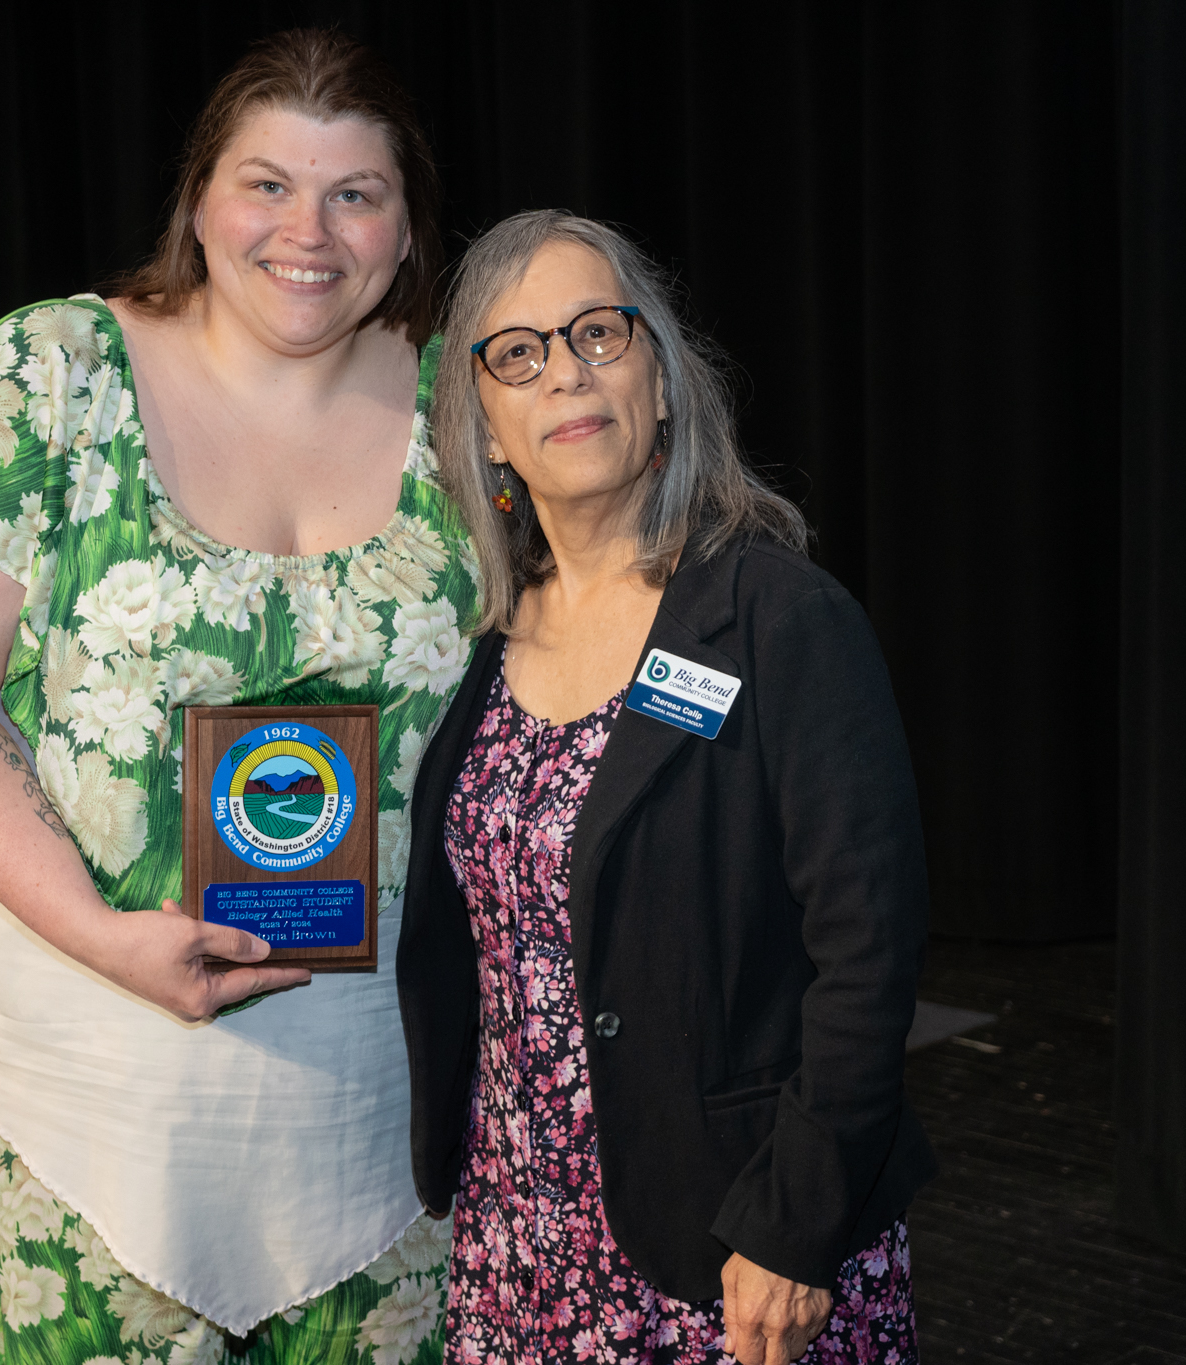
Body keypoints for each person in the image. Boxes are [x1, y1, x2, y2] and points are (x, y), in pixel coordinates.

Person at [0, 31, 477, 1364]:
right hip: (111, 1072)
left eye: (355, 193)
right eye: (266, 184)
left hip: (390, 1091)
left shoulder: (469, 406)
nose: (306, 231)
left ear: (409, 225)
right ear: (199, 201)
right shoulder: (50, 376)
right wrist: (99, 932)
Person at [396, 211, 936, 1365]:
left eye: (598, 332)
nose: (567, 373)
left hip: (734, 1244)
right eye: (519, 353)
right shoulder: (485, 650)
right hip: (519, 1238)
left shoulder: (780, 623)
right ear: (485, 430)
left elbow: (868, 953)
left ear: (661, 381)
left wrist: (794, 1231)